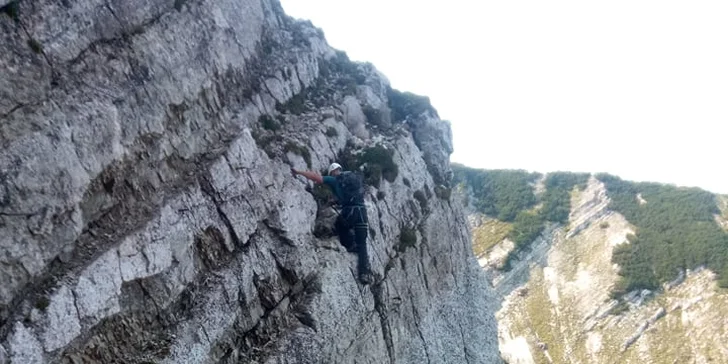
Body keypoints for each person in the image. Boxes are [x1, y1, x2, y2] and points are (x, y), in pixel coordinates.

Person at [292, 163, 373, 284]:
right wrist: (335, 201)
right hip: (362, 212)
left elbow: (316, 177)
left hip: (350, 212)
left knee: (340, 226)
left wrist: (298, 172)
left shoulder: (335, 180)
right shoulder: (352, 177)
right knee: (362, 242)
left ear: (333, 172)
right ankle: (364, 273)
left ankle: (350, 245)